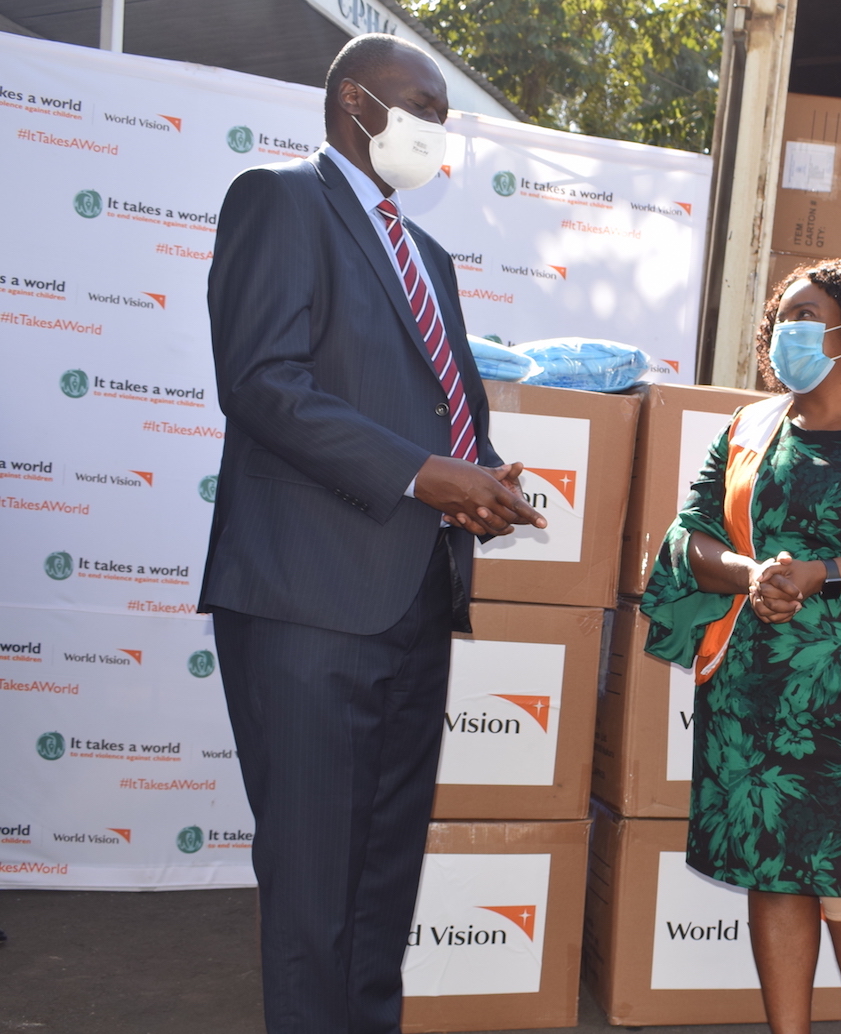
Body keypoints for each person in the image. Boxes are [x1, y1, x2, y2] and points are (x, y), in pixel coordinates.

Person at [199, 34, 543, 1033]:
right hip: (307, 600)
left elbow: (443, 409)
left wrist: (481, 476)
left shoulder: (427, 252)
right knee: (312, 885)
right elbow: (263, 382)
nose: (438, 132)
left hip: (417, 597)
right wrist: (423, 474)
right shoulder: (278, 201)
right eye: (423, 109)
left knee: (383, 877)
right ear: (357, 102)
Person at [640, 258, 841, 1034]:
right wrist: (753, 572)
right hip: (757, 687)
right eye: (781, 315)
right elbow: (691, 535)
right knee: (775, 876)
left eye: (806, 313)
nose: (787, 328)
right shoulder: (748, 427)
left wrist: (821, 573)